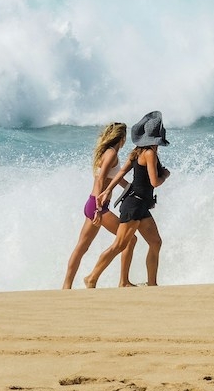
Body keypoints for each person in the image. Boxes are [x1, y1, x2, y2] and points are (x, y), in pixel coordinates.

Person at [84, 111, 171, 288]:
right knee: (119, 245)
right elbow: (155, 181)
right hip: (134, 205)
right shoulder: (150, 154)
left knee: (155, 242)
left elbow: (122, 172)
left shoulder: (136, 152)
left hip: (139, 204)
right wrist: (166, 176)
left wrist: (108, 190)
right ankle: (91, 277)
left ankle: (152, 284)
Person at [62, 122, 138, 289]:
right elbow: (102, 179)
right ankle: (121, 281)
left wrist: (134, 190)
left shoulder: (108, 153)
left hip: (93, 203)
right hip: (98, 206)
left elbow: (115, 179)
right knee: (130, 239)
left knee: (82, 247)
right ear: (122, 138)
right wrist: (97, 209)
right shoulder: (111, 153)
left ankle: (66, 287)